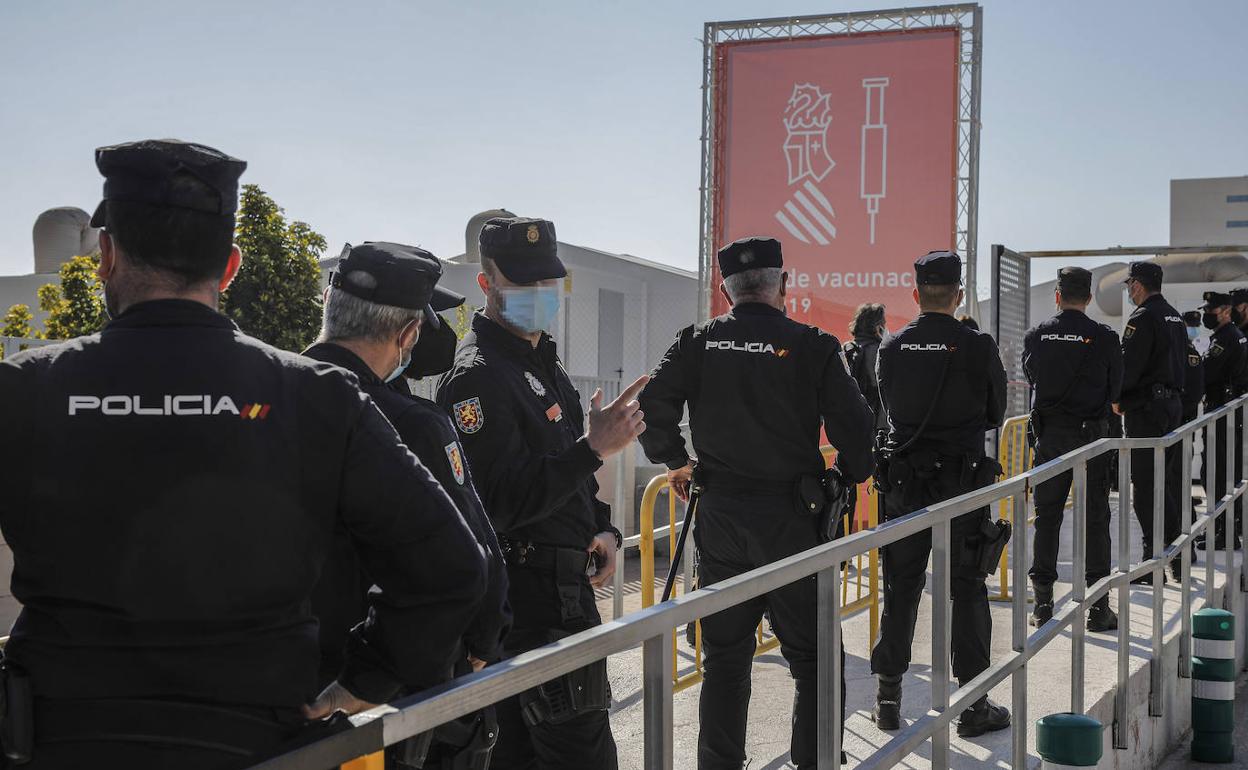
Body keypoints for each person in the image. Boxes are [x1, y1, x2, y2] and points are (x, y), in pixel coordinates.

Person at [0, 139, 489, 769]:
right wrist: (363, 682)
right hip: (261, 745)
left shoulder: (22, 389)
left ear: (106, 256)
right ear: (229, 267)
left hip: (60, 742)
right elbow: (451, 569)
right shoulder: (316, 398)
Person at [638, 236, 874, 770]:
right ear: (783, 284)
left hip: (720, 519)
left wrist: (676, 460)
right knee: (814, 660)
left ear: (726, 290)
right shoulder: (814, 344)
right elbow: (857, 432)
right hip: (794, 523)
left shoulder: (699, 341)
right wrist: (846, 475)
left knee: (724, 660)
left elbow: (654, 401)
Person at [438, 216, 641, 770]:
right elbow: (499, 502)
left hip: (566, 591)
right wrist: (592, 449)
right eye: (522, 283)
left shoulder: (543, 361)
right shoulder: (476, 377)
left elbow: (566, 476)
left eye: (546, 283)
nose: (538, 295)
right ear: (486, 284)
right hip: (526, 604)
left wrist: (601, 527)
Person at [304, 241, 512, 768]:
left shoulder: (261, 400)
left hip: (285, 683)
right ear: (407, 335)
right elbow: (474, 557)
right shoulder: (416, 423)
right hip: (393, 690)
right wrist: (483, 642)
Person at [869, 250, 1010, 738]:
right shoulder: (977, 345)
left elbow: (890, 408)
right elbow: (996, 412)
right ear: (959, 294)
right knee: (967, 587)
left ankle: (888, 698)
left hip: (905, 486)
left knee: (901, 587)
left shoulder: (891, 347)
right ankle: (973, 707)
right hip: (963, 485)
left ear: (916, 294)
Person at [1021, 267, 1123, 632]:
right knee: (1096, 518)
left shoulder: (1037, 336)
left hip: (1050, 439)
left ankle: (1043, 605)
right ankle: (1098, 608)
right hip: (1092, 439)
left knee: (1047, 518)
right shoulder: (1105, 337)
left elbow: (1033, 379)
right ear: (1089, 298)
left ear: (1058, 295)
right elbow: (1115, 392)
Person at [1116, 261, 1187, 583]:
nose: (1129, 291)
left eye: (1130, 285)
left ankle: (1151, 561)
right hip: (1172, 405)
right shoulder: (1174, 316)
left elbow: (1128, 366)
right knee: (1164, 484)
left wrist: (1116, 398)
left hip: (1146, 409)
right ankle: (1177, 556)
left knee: (1144, 486)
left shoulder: (1143, 318)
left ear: (1138, 285)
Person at [1195, 291, 1247, 551]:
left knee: (1217, 474)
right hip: (1227, 414)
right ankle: (1223, 529)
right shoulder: (1233, 336)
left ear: (1225, 311)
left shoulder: (1226, 339)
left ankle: (1223, 533)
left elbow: (1207, 373)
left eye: (1210, 311)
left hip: (1222, 413)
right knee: (1222, 472)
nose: (1206, 316)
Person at [844, 302, 889, 434]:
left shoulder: (845, 349)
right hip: (878, 428)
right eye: (884, 324)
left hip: (850, 425)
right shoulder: (881, 351)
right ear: (877, 328)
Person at [1180, 311, 1205, 426]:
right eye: (1190, 325)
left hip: (1189, 409)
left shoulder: (1191, 347)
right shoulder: (1180, 347)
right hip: (1181, 407)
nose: (1194, 329)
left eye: (1196, 326)